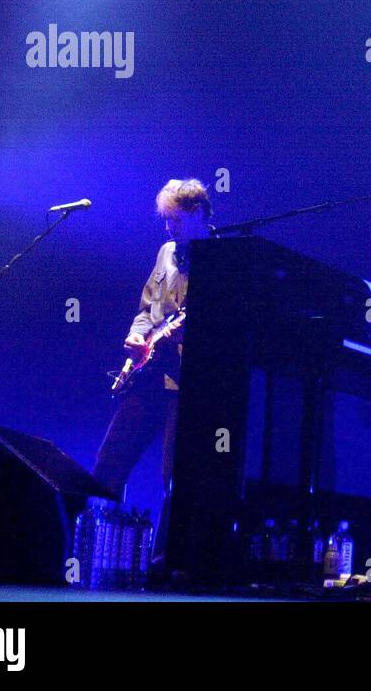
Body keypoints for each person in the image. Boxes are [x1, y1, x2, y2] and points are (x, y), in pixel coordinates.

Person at [92, 178, 212, 538]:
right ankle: (95, 547)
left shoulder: (221, 260)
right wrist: (137, 333)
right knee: (109, 461)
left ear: (198, 214)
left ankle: (164, 566)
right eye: (166, 220)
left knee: (174, 478)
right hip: (147, 377)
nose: (168, 227)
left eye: (175, 220)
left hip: (184, 382)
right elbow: (148, 307)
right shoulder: (165, 251)